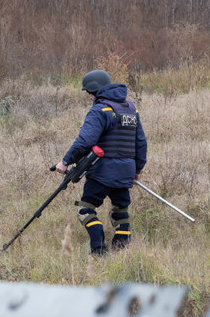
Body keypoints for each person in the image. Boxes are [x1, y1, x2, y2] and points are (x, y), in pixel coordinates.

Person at [55, 70, 147, 256]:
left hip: (102, 171)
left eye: (88, 92)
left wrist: (65, 162)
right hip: (126, 171)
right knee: (120, 211)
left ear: (94, 90)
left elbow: (85, 141)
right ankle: (120, 250)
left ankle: (98, 249)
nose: (89, 97)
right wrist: (137, 169)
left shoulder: (100, 110)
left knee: (85, 209)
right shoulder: (130, 109)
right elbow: (141, 143)